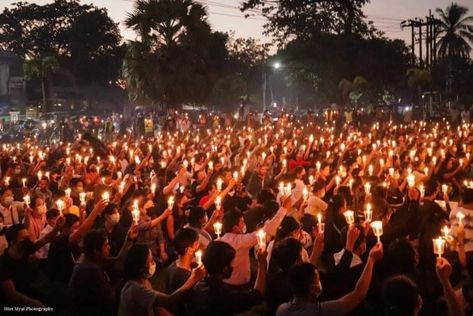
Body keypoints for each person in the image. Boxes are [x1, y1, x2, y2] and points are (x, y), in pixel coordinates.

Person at [276, 242, 383, 316]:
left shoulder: (281, 310)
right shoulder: (320, 311)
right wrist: (371, 260)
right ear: (313, 288)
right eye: (317, 280)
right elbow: (358, 295)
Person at [220, 196, 291, 286]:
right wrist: (283, 209)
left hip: (225, 283)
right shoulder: (240, 241)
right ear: (235, 228)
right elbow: (267, 230)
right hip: (239, 285)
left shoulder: (218, 241)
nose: (244, 224)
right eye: (241, 222)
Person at [68, 226, 138, 316]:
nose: (109, 247)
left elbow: (117, 261)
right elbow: (110, 298)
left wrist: (129, 239)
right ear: (96, 250)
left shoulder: (89, 256)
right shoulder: (89, 270)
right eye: (106, 245)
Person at [188, 240, 267, 315]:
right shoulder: (224, 296)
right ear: (225, 269)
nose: (233, 266)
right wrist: (262, 264)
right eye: (232, 263)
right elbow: (257, 295)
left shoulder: (198, 286)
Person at [0, 221, 62, 307]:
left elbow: (45, 240)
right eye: (24, 238)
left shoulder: (24, 249)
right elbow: (12, 294)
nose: (28, 241)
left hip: (28, 288)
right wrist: (36, 303)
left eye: (28, 238)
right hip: (11, 304)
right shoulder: (3, 262)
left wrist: (57, 226)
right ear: (13, 242)